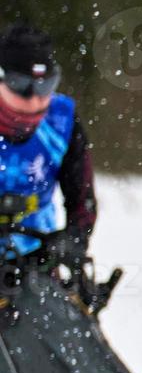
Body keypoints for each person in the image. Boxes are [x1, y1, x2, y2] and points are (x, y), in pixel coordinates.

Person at [0, 23, 97, 261]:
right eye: (20, 86)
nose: (34, 100)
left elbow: (82, 198)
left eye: (45, 86)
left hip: (35, 258)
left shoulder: (62, 121)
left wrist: (75, 238)